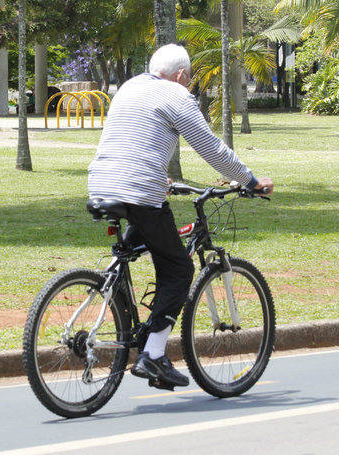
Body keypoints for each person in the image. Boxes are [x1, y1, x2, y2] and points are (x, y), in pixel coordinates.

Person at [87, 44, 273, 389]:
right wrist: (250, 181)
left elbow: (136, 139)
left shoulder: (128, 86)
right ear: (181, 75)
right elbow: (211, 148)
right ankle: (153, 355)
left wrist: (161, 179)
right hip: (139, 191)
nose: (188, 85)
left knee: (146, 238)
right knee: (179, 269)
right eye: (188, 80)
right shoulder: (177, 95)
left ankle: (125, 311)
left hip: (102, 183)